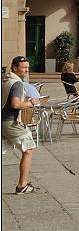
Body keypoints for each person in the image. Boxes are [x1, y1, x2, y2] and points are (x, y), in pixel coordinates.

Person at [2, 56, 42, 194]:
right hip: (11, 122)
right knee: (28, 150)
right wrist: (31, 103)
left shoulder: (6, 79)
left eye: (27, 68)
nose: (26, 70)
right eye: (23, 67)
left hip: (3, 120)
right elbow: (15, 104)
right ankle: (22, 185)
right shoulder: (17, 83)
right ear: (14, 68)